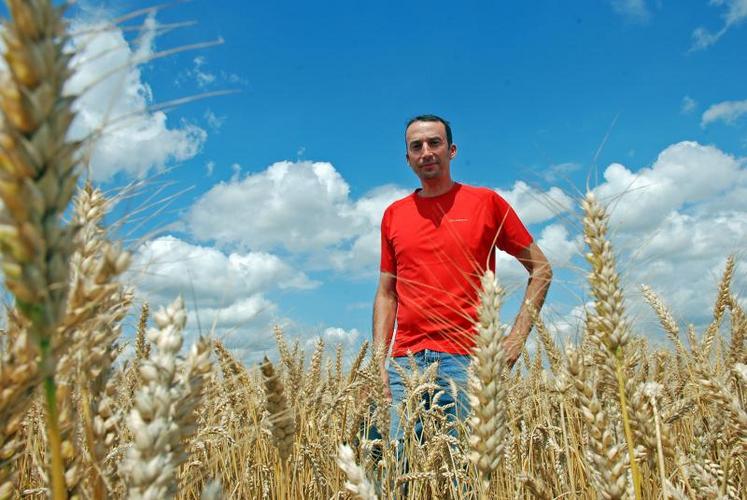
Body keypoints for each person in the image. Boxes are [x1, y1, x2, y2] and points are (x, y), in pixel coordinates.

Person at [372, 114, 553, 444]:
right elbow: (387, 293)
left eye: (434, 143)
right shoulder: (393, 215)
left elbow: (541, 268)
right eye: (417, 146)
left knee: (467, 477)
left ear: (451, 150)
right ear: (408, 159)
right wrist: (378, 363)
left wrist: (515, 341)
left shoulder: (487, 203)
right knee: (394, 469)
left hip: (468, 361)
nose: (426, 151)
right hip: (404, 363)